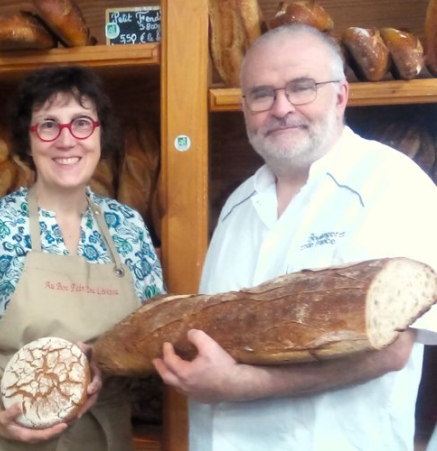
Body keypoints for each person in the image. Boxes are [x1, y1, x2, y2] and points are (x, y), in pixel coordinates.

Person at [153, 24, 437, 451]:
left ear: (340, 95)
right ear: (245, 106)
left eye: (302, 88)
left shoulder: (394, 187)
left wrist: (244, 384)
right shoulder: (236, 206)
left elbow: (390, 351)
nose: (281, 107)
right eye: (262, 94)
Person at [0, 65, 165, 451]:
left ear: (99, 134)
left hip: (103, 432)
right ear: (27, 141)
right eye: (48, 125)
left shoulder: (128, 228)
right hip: (5, 433)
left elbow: (152, 337)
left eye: (81, 123)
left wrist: (109, 361)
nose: (67, 140)